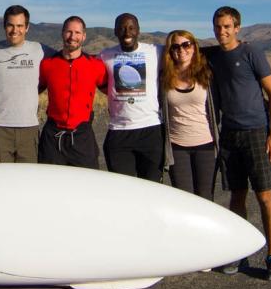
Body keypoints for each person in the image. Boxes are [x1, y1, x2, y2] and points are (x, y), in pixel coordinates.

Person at [203, 6, 271, 281]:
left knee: (264, 195)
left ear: (237, 28)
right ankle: (240, 251)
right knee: (237, 196)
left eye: (226, 26)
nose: (221, 31)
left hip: (256, 132)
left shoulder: (251, 53)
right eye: (217, 26)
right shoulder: (212, 56)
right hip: (229, 134)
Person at [99, 13, 163, 182]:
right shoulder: (105, 55)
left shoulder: (156, 52)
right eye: (122, 28)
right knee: (123, 190)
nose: (127, 32)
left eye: (131, 28)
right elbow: (98, 80)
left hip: (151, 130)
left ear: (138, 30)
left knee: (153, 188)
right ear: (115, 31)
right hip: (119, 132)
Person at [0, 5, 54, 163]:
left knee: (27, 180)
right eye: (10, 25)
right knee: (0, 178)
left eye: (19, 26)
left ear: (27, 27)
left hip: (28, 127)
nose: (14, 30)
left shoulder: (40, 49)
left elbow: (63, 60)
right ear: (4, 26)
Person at [38, 16, 107, 169]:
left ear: (84, 36)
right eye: (69, 32)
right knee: (49, 185)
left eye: (77, 32)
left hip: (82, 137)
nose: (72, 37)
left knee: (86, 186)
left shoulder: (95, 65)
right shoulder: (47, 65)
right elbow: (33, 90)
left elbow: (112, 92)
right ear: (62, 33)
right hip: (53, 138)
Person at [160, 30, 219, 200]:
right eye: (175, 46)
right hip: (177, 146)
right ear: (170, 51)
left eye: (186, 44)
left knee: (206, 198)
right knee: (184, 199)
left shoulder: (206, 73)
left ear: (194, 47)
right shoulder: (164, 77)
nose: (181, 50)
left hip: (205, 144)